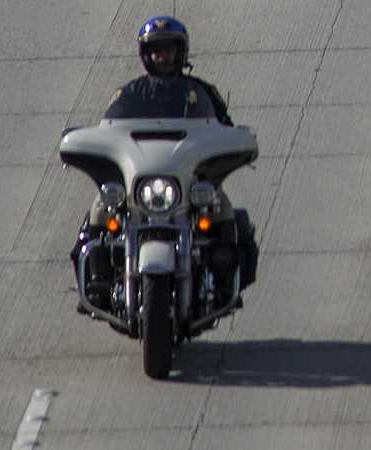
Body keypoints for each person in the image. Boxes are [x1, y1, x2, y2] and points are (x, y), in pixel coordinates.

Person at [76, 17, 258, 295]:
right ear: (145, 55)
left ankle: (224, 279)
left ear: (181, 53)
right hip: (140, 181)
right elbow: (107, 130)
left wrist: (238, 140)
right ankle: (97, 280)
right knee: (101, 208)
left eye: (169, 50)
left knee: (220, 206)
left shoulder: (201, 92)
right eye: (156, 51)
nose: (162, 57)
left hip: (186, 180)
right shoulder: (127, 94)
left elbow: (225, 128)